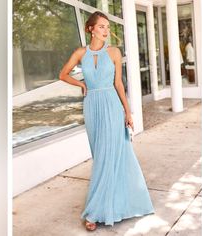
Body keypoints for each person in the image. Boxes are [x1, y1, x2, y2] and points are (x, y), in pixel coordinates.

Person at [59, 11, 155, 231]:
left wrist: (128, 112)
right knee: (100, 156)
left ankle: (94, 212)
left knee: (107, 156)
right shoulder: (80, 53)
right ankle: (108, 203)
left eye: (107, 27)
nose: (106, 30)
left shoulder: (113, 52)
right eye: (101, 26)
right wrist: (82, 85)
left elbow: (119, 84)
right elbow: (62, 74)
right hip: (92, 106)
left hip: (112, 106)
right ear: (91, 29)